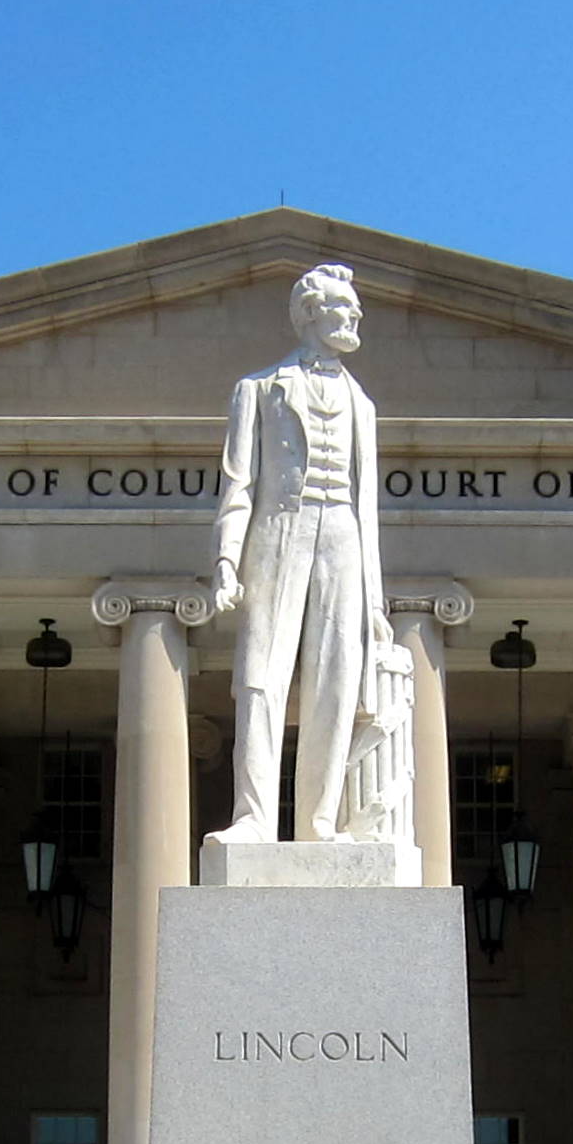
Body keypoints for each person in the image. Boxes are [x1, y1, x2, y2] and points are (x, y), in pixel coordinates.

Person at [211, 263, 394, 844]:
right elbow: (238, 483)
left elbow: (368, 508)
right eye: (345, 307)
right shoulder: (259, 389)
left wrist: (376, 601)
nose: (356, 316)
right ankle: (254, 818)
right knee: (261, 678)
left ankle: (319, 820)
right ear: (311, 313)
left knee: (335, 682)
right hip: (278, 533)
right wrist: (225, 562)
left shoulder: (362, 405)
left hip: (344, 538)